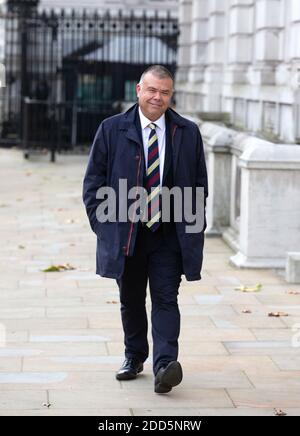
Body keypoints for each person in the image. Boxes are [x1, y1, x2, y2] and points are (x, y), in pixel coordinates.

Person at [83, 65, 208, 394]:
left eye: (165, 92)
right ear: (138, 90)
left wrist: (194, 231)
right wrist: (105, 229)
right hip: (127, 233)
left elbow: (198, 187)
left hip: (168, 234)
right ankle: (134, 355)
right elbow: (93, 185)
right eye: (152, 90)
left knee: (167, 298)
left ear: (171, 95)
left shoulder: (187, 132)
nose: (158, 97)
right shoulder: (112, 129)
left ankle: (165, 365)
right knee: (132, 299)